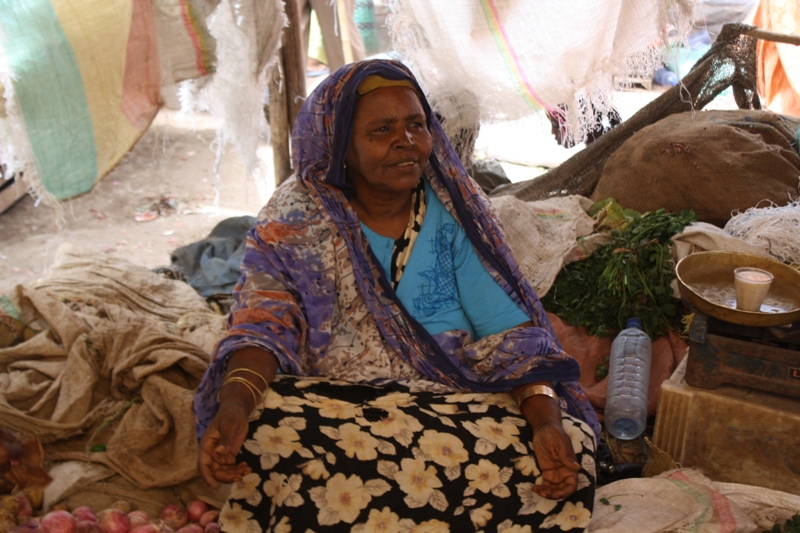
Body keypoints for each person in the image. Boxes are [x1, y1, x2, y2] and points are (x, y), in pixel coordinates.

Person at [194, 59, 600, 532]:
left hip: (450, 402)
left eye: (415, 125)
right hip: (337, 408)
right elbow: (263, 322)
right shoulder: (297, 215)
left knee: (572, 445)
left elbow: (507, 332)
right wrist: (236, 406)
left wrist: (545, 418)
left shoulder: (451, 211)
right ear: (340, 145)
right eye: (382, 129)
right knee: (268, 435)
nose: (405, 141)